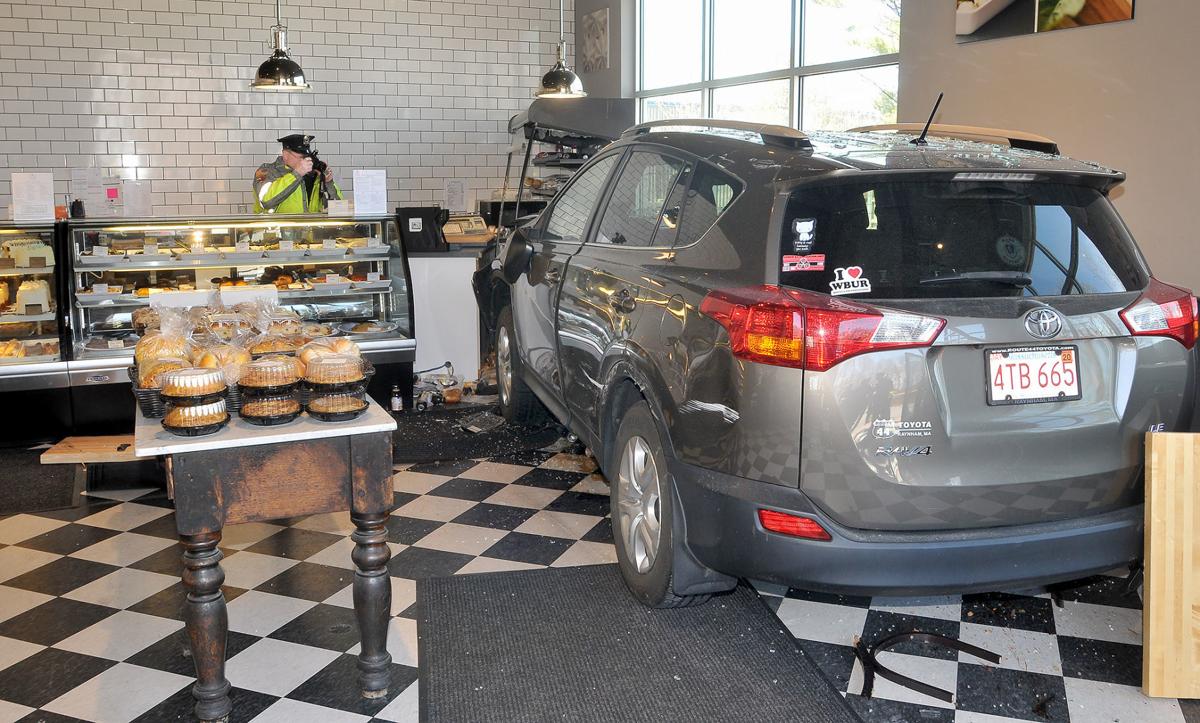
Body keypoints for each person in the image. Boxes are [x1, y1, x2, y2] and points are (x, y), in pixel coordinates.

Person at [253, 134, 343, 214]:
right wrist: (297, 173)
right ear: (285, 155)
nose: (306, 161)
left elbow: (339, 209)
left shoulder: (315, 174)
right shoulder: (266, 171)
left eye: (308, 157)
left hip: (309, 232)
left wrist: (328, 182)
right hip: (274, 231)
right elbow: (266, 201)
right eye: (301, 157)